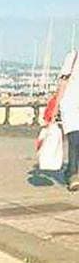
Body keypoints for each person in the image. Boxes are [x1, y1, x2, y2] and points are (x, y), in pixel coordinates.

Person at [55, 50, 79, 191]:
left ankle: (72, 172)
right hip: (70, 105)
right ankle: (72, 174)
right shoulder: (72, 57)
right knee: (75, 139)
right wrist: (56, 105)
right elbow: (63, 82)